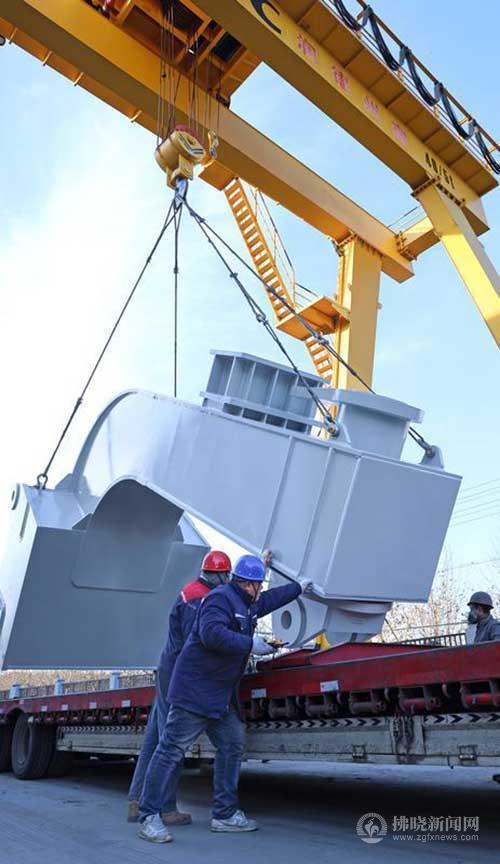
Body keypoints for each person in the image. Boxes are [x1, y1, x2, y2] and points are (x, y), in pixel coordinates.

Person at [138, 553, 313, 843]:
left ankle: (224, 814)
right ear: (245, 584)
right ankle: (148, 817)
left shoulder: (249, 603)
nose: (260, 590)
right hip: (195, 692)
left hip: (218, 696)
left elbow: (271, 600)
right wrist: (251, 644)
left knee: (232, 745)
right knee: (170, 750)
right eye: (257, 585)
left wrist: (299, 588)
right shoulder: (219, 599)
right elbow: (211, 634)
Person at [127, 549, 232, 825]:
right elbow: (196, 644)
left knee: (154, 738)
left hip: (168, 668)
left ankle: (137, 801)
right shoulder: (199, 599)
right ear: (221, 575)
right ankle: (165, 808)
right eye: (228, 575)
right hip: (177, 674)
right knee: (170, 741)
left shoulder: (194, 591)